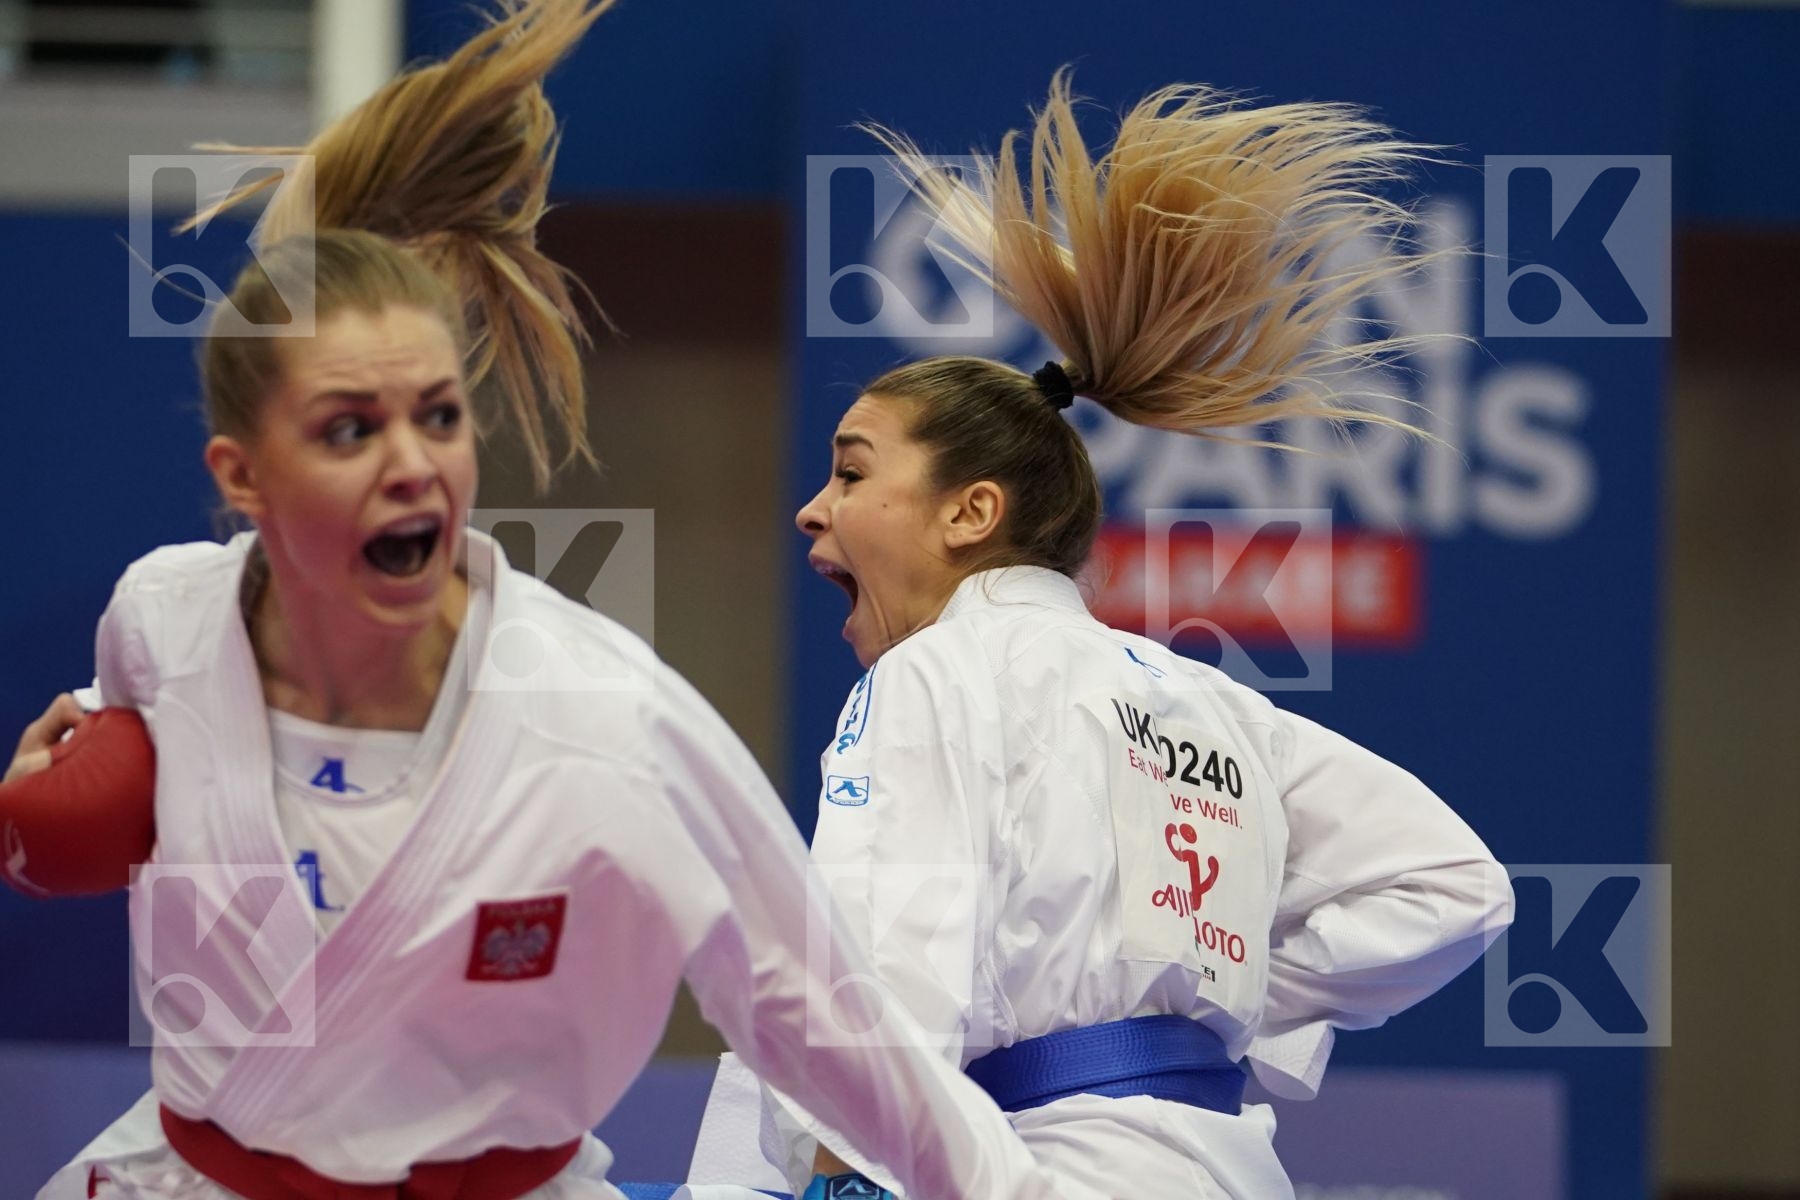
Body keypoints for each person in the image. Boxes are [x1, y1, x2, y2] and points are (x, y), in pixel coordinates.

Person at [4, 10, 1103, 1200]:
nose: (412, 463)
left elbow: (820, 1012)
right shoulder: (161, 622)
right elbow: (117, 753)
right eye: (348, 431)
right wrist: (40, 813)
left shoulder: (600, 714)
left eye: (437, 415)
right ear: (242, 478)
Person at [695, 74, 1516, 1200]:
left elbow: (880, 980)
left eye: (850, 470)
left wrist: (832, 1178)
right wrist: (1194, 1010)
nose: (814, 507)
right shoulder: (1218, 704)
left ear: (970, 512)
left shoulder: (938, 672)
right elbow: (1454, 886)